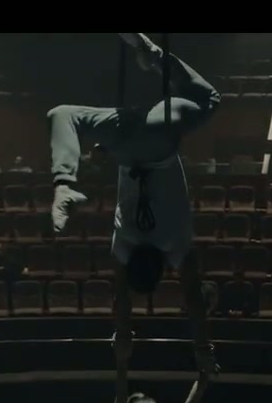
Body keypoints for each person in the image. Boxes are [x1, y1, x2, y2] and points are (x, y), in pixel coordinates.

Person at [47, 32, 222, 375]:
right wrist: (123, 336)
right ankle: (64, 185)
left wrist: (203, 349)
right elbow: (122, 298)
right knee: (62, 114)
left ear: (163, 267)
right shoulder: (124, 244)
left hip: (160, 134)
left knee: (209, 99)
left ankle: (155, 55)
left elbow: (193, 297)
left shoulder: (174, 244)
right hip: (125, 143)